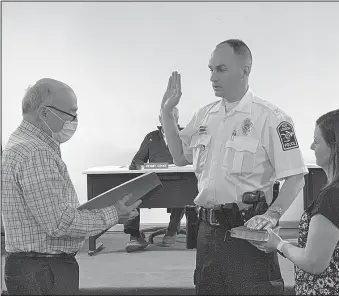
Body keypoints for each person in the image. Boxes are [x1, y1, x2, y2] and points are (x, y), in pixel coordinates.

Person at [160, 39, 308, 295]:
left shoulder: (271, 118)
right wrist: (167, 114)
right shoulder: (205, 115)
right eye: (210, 70)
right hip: (208, 232)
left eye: (221, 69)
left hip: (247, 230)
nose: (212, 77)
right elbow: (180, 157)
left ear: (245, 70)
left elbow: (296, 178)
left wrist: (272, 215)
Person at [1, 78, 141, 295]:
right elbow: (59, 224)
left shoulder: (21, 144)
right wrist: (114, 213)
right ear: (44, 113)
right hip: (43, 271)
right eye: (70, 113)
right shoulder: (35, 152)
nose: (74, 121)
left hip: (34, 268)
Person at [253, 109, 339, 295]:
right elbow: (330, 246)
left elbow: (314, 263)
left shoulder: (332, 199)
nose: (312, 147)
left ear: (335, 147)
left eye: (316, 141)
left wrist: (279, 244)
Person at [124, 108, 185, 252]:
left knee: (183, 192)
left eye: (172, 118)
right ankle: (134, 235)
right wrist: (142, 166)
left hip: (179, 180)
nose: (168, 121)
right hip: (154, 181)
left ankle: (172, 230)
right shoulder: (151, 137)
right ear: (160, 119)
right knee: (132, 193)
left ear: (177, 119)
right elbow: (137, 161)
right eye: (165, 118)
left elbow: (196, 157)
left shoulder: (185, 135)